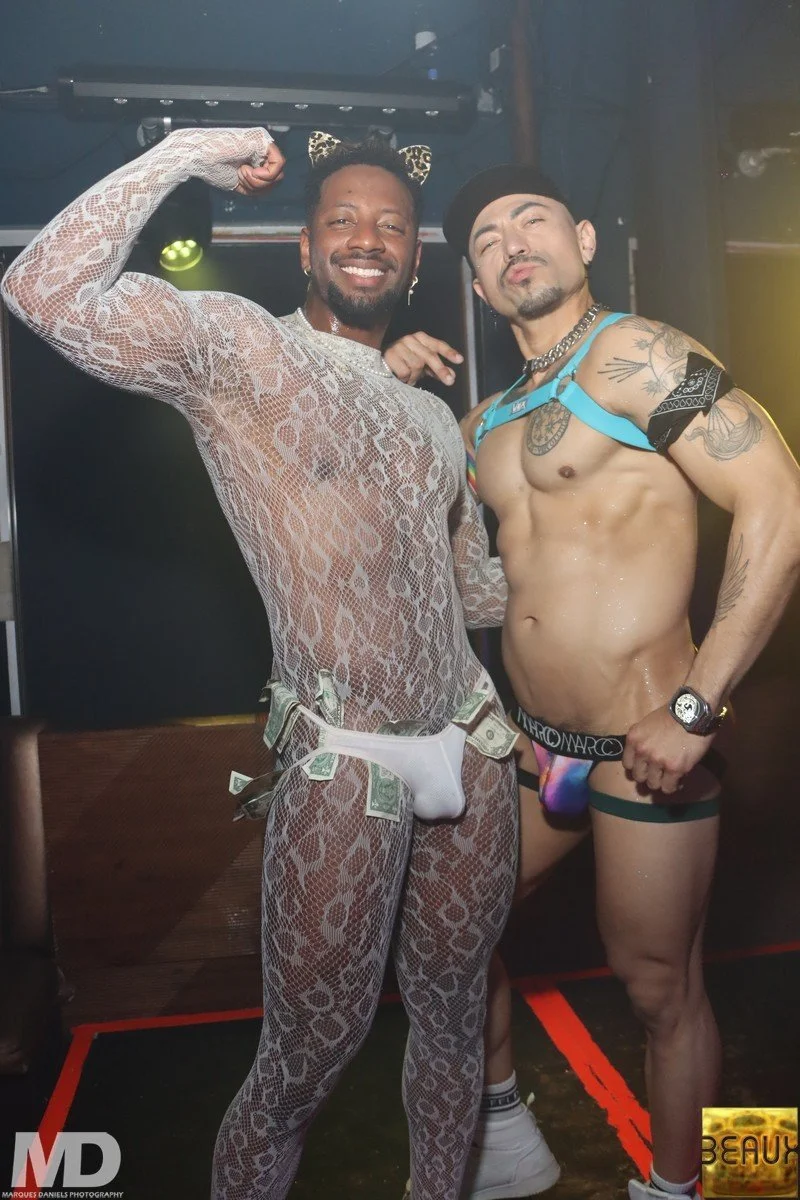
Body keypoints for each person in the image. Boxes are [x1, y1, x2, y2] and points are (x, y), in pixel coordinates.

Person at [1, 129, 522, 1200]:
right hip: (344, 756)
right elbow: (38, 289)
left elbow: (474, 595)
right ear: (304, 245)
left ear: (413, 261)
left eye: (391, 226)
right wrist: (185, 152)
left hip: (472, 741)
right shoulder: (242, 350)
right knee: (300, 1068)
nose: (368, 239)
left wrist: (602, 556)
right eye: (344, 220)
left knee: (455, 1023)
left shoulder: (431, 415)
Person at [385, 163, 800, 1200]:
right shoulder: (485, 423)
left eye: (530, 221)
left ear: (581, 240)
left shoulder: (640, 357)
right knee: (447, 932)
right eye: (486, 240)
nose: (510, 243)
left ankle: (697, 1189)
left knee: (660, 986)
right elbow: (476, 584)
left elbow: (779, 502)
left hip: (646, 743)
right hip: (538, 747)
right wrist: (385, 393)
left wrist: (697, 705)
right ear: (477, 283)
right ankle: (503, 1133)